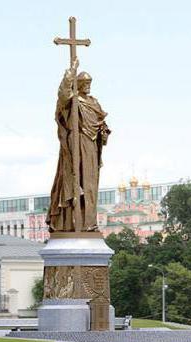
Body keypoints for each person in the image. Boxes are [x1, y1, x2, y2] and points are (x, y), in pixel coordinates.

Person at [47, 64, 111, 232]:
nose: (88, 85)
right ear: (78, 83)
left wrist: (103, 130)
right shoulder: (72, 100)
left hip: (91, 144)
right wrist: (71, 73)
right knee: (74, 180)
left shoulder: (93, 102)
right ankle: (70, 222)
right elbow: (63, 95)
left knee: (90, 183)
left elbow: (99, 121)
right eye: (84, 82)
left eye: (89, 82)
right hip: (76, 142)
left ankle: (88, 223)